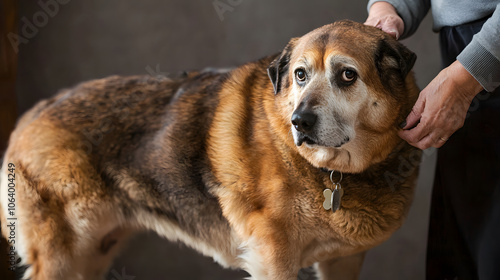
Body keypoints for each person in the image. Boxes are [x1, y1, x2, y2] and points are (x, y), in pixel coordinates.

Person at [365, 1, 500, 279]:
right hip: (463, 54)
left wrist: (467, 78)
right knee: (461, 260)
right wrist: (387, 9)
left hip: (485, 51)